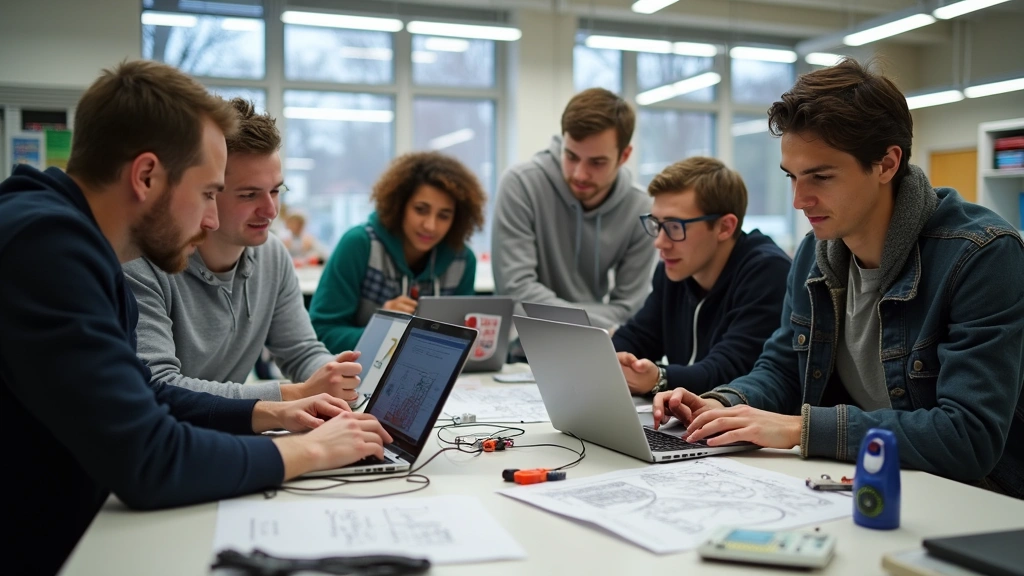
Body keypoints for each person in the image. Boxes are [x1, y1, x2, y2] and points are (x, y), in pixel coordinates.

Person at [0, 61, 392, 574]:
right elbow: (150, 459)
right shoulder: (46, 248)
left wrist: (272, 412)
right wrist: (312, 453)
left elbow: (146, 395)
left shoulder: (70, 239)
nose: (211, 219)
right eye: (210, 192)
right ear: (145, 176)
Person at [652, 59, 1024, 498]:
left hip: (976, 498)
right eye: (792, 177)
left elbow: (968, 436)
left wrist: (801, 429)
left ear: (886, 164)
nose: (798, 200)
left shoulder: (983, 255)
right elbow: (783, 369)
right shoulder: (816, 250)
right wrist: (723, 404)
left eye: (821, 177)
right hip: (872, 481)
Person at [124, 98, 359, 403]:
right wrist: (292, 395)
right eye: (249, 195)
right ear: (206, 191)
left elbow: (300, 350)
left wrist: (333, 379)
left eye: (276, 190)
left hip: (226, 431)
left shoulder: (272, 254)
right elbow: (160, 387)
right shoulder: (142, 263)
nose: (271, 211)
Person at [612, 157, 791, 396]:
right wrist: (612, 360)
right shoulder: (675, 270)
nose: (659, 242)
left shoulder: (767, 272)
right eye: (656, 224)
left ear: (725, 227)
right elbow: (638, 336)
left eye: (675, 227)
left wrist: (660, 378)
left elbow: (729, 370)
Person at [491, 88, 655, 330]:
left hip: (598, 346)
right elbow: (515, 292)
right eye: (571, 156)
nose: (579, 173)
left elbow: (631, 309)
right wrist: (601, 322)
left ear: (624, 156)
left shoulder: (641, 208)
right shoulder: (521, 184)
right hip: (523, 347)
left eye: (597, 162)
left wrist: (553, 315)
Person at [310, 151, 486, 353]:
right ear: (399, 205)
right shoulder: (359, 245)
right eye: (421, 209)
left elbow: (462, 340)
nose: (430, 225)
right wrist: (381, 331)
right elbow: (321, 333)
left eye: (444, 216)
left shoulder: (462, 261)